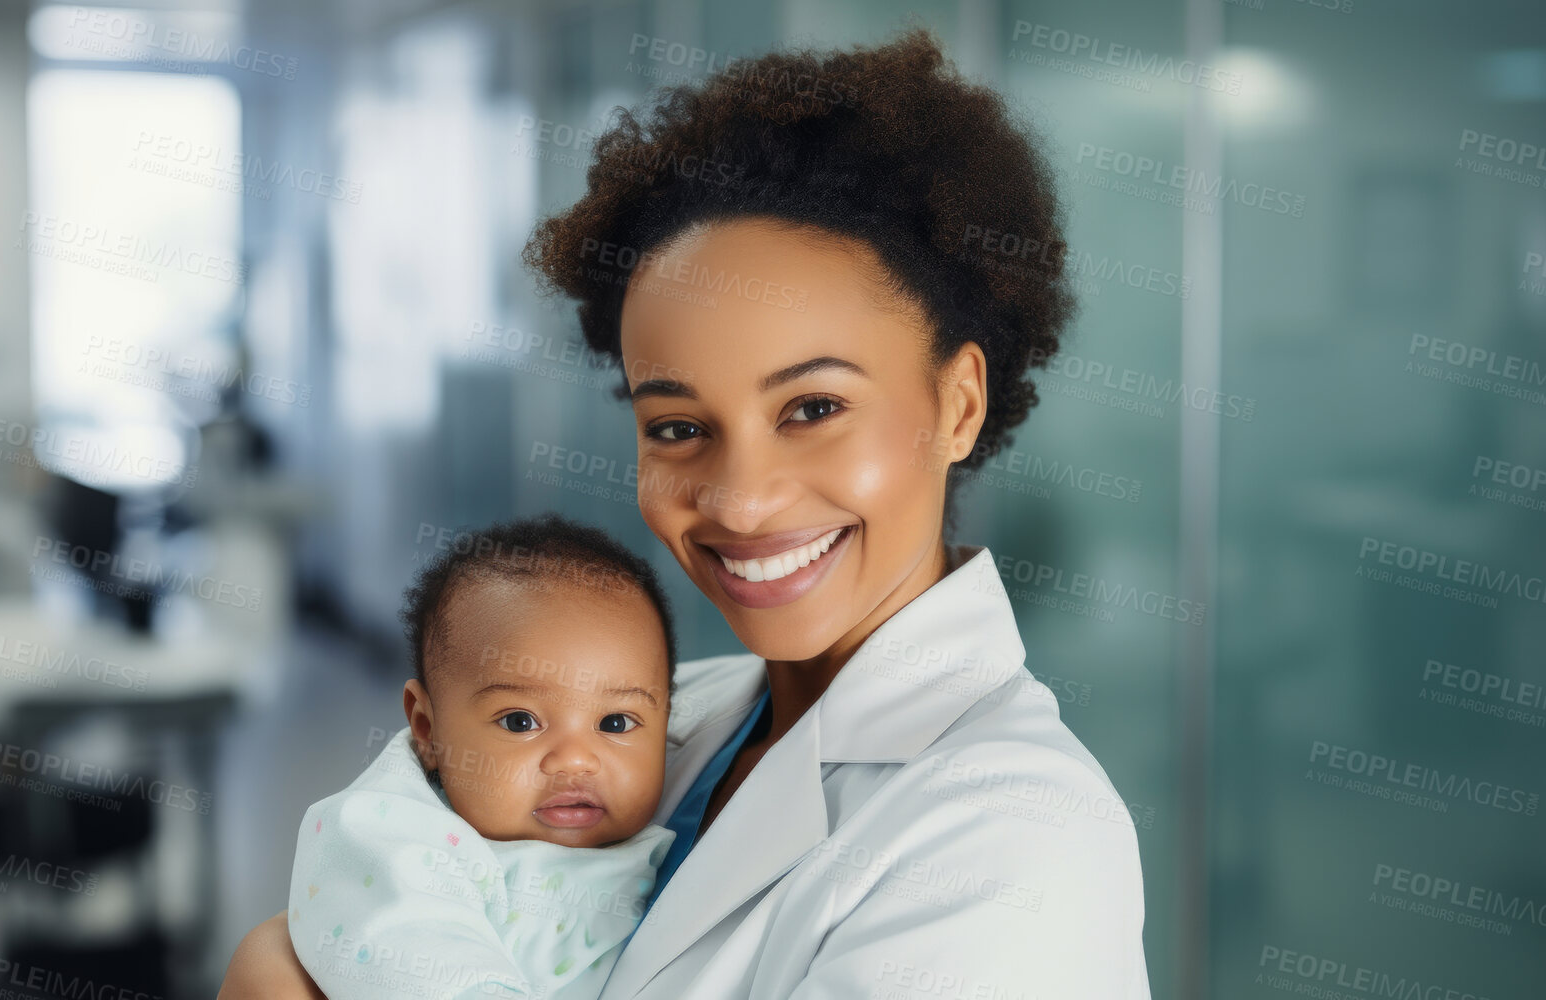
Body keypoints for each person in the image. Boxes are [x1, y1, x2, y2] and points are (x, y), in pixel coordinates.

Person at [223, 28, 1150, 999]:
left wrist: (269, 975)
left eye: (813, 409)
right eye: (675, 426)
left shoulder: (1015, 839)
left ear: (955, 405)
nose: (739, 499)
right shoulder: (666, 716)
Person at [286, 515, 680, 999]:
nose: (576, 760)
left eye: (615, 723)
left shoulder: (675, 839)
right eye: (520, 721)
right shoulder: (397, 840)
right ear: (427, 729)